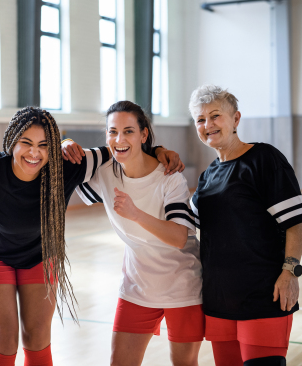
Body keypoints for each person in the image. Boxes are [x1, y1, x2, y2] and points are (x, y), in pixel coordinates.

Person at [0, 106, 185, 366]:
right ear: (12, 142)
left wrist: (158, 149)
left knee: (37, 339)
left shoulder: (67, 166)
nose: (34, 153)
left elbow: (119, 148)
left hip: (41, 255)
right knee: (4, 338)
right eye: (26, 143)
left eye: (43, 145)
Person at [63, 101, 203, 366]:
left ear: (144, 135)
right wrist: (64, 143)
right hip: (137, 287)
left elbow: (179, 238)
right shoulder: (104, 172)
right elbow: (68, 162)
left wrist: (136, 213)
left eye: (128, 131)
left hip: (183, 287)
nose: (119, 139)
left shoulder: (170, 177)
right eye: (112, 131)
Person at [189, 85, 302, 366]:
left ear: (236, 119)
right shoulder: (208, 176)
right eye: (200, 119)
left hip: (264, 295)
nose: (208, 125)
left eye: (215, 116)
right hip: (219, 299)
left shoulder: (264, 159)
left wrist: (290, 272)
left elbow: (296, 221)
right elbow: (183, 225)